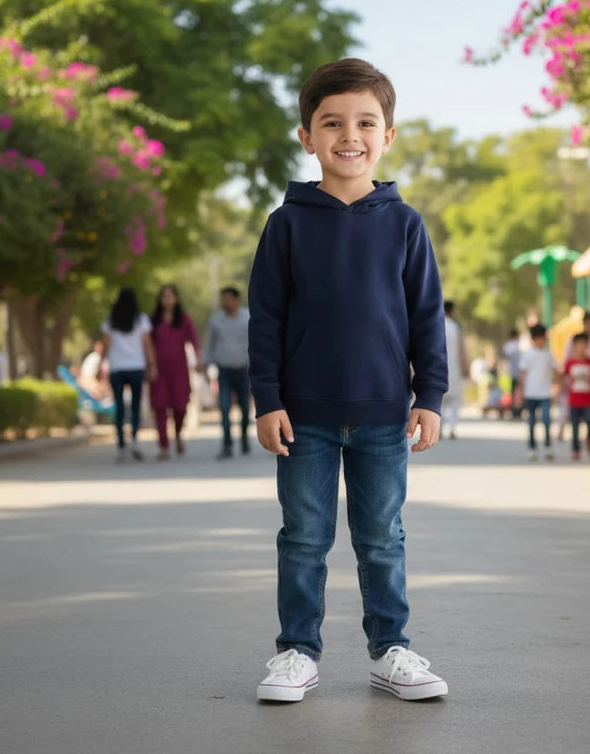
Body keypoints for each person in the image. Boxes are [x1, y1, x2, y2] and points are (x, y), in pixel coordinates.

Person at [248, 58, 448, 703]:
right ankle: (296, 653)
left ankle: (392, 649)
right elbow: (267, 320)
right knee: (304, 537)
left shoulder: (405, 223)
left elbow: (425, 317)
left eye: (366, 122)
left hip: (385, 413)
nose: (349, 135)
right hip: (302, 414)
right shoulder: (286, 224)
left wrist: (432, 397)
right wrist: (267, 400)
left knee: (381, 537)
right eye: (331, 122)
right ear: (307, 135)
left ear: (388, 134)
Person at [101, 287, 156, 463]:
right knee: (134, 406)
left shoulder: (111, 321)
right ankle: (134, 439)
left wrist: (100, 365)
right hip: (136, 366)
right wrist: (153, 365)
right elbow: (147, 345)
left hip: (117, 367)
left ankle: (121, 445)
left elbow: (106, 346)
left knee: (119, 407)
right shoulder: (141, 320)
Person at [150, 285, 201, 460]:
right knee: (160, 407)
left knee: (180, 406)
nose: (167, 299)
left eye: (170, 296)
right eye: (164, 296)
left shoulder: (184, 319)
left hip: (179, 369)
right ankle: (164, 446)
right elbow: (147, 345)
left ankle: (178, 434)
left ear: (176, 298)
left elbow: (194, 340)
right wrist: (150, 366)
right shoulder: (154, 320)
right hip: (159, 370)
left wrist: (199, 360)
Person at [203, 286, 251, 459]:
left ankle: (245, 437)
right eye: (223, 298)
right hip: (224, 370)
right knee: (224, 407)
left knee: (245, 408)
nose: (226, 302)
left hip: (244, 370)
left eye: (229, 298)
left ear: (236, 300)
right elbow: (210, 344)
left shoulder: (247, 318)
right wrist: (205, 363)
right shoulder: (216, 320)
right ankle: (227, 444)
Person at [519, 324, 558, 461]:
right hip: (531, 393)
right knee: (532, 422)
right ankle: (532, 447)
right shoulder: (528, 354)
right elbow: (522, 374)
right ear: (533, 339)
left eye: (543, 339)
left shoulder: (548, 354)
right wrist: (519, 391)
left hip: (545, 393)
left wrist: (556, 386)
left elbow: (556, 371)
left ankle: (548, 445)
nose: (541, 341)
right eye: (538, 339)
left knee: (546, 420)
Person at [564, 332, 590, 461]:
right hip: (574, 400)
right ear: (574, 347)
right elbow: (565, 380)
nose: (581, 348)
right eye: (579, 345)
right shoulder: (570, 363)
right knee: (574, 427)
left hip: (588, 400)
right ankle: (575, 449)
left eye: (584, 345)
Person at [442, 300, 469, 439]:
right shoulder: (455, 327)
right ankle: (452, 427)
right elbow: (462, 350)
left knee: (439, 401)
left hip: (439, 369)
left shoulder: (436, 325)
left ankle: (439, 428)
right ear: (452, 311)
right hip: (454, 369)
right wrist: (466, 368)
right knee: (454, 402)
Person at [502, 328, 522, 416]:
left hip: (510, 372)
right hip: (517, 372)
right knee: (517, 392)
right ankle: (516, 409)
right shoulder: (517, 345)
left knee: (512, 392)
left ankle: (513, 409)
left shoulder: (508, 346)